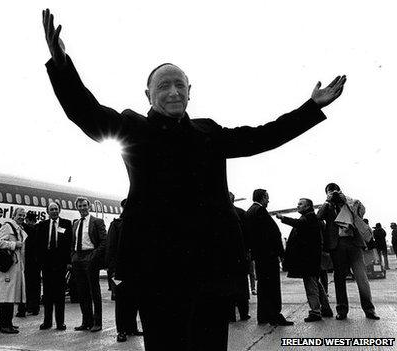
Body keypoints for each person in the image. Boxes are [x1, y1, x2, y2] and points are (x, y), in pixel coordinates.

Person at [42, 8, 346, 349]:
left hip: (212, 270)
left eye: (179, 85)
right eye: (164, 86)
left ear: (190, 91)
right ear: (148, 95)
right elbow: (86, 111)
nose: (173, 92)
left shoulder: (208, 133)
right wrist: (62, 65)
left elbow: (262, 137)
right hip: (156, 271)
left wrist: (310, 107)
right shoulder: (134, 129)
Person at [317, 183, 379, 320]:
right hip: (337, 245)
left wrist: (345, 200)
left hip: (354, 243)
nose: (333, 193)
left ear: (340, 191)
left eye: (335, 190)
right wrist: (327, 201)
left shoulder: (351, 203)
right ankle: (342, 310)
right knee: (339, 279)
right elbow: (318, 218)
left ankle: (369, 309)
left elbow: (362, 212)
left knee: (361, 277)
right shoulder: (327, 206)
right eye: (330, 191)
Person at [277, 198, 333, 322]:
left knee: (311, 286)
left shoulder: (309, 218)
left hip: (308, 260)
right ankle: (326, 309)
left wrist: (283, 218)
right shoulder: (310, 217)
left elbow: (298, 224)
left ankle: (315, 312)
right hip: (311, 259)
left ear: (308, 206)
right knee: (316, 284)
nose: (298, 206)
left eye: (301, 204)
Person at [247, 190, 293, 326]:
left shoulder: (250, 211)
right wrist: (281, 254)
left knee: (263, 286)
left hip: (259, 256)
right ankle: (275, 315)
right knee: (272, 287)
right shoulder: (260, 211)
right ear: (263, 197)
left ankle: (263, 316)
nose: (268, 201)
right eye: (267, 198)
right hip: (268, 256)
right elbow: (272, 234)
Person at [107, 199, 142, 342]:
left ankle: (132, 328)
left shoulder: (139, 225)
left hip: (135, 270)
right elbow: (110, 249)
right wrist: (112, 271)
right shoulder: (116, 225)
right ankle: (121, 331)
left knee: (134, 300)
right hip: (119, 271)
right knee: (121, 301)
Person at [71, 196, 107, 332]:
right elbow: (73, 242)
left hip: (90, 257)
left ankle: (97, 322)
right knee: (82, 292)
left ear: (89, 206)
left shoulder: (97, 221)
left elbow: (104, 242)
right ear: (77, 208)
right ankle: (86, 321)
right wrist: (73, 256)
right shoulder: (75, 223)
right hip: (77, 258)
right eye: (80, 206)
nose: (82, 208)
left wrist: (93, 256)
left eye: (84, 206)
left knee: (94, 292)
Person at [37, 202, 73, 331]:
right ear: (47, 211)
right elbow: (38, 245)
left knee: (60, 295)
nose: (54, 211)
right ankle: (47, 322)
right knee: (47, 294)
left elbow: (70, 244)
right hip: (46, 264)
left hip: (61, 263)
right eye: (51, 209)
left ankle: (60, 322)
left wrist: (69, 262)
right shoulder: (42, 225)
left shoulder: (66, 224)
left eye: (56, 209)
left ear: (59, 210)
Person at [0, 207, 27, 334]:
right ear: (14, 215)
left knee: (11, 296)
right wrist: (14, 245)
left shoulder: (18, 228)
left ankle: (9, 322)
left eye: (23, 215)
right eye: (19, 215)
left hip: (15, 267)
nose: (22, 217)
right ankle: (3, 325)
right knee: (5, 297)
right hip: (7, 267)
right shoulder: (7, 227)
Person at [228, 192, 251, 323]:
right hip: (240, 255)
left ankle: (230, 315)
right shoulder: (241, 213)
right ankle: (244, 313)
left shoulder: (219, 214)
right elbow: (248, 235)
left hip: (226, 258)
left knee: (229, 287)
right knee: (242, 286)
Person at [17, 211, 41, 317]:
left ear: (29, 220)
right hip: (36, 262)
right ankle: (34, 307)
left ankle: (26, 308)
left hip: (28, 262)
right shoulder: (38, 228)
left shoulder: (29, 229)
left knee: (26, 285)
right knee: (35, 286)